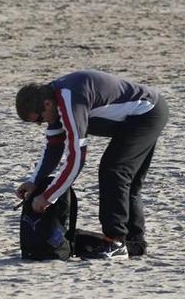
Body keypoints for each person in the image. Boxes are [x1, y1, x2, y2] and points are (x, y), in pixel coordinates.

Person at [14, 70, 168, 259]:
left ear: (47, 104)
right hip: (138, 116)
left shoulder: (69, 101)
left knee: (114, 171)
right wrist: (34, 181)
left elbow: (76, 158)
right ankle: (134, 244)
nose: (40, 124)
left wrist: (49, 196)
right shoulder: (54, 101)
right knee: (127, 181)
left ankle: (116, 241)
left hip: (147, 113)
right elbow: (54, 148)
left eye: (38, 119)